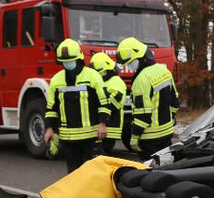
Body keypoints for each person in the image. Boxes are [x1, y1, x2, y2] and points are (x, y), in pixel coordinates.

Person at [43, 39, 110, 173]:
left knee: (96, 173)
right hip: (69, 139)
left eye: (70, 60)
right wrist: (49, 128)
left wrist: (103, 124)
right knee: (73, 174)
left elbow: (103, 103)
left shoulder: (92, 76)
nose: (67, 64)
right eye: (64, 62)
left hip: (91, 137)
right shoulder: (57, 80)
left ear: (79, 58)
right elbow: (52, 108)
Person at [116, 36, 180, 159]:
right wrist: (167, 120)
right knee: (166, 169)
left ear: (141, 57)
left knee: (150, 174)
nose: (129, 67)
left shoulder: (141, 80)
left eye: (130, 62)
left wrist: (134, 137)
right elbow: (174, 103)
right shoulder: (164, 71)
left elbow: (142, 115)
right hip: (167, 134)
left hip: (149, 138)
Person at [89, 51, 127, 155]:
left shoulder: (116, 81)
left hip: (110, 127)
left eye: (100, 73)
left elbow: (113, 104)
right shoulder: (101, 81)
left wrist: (96, 104)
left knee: (102, 155)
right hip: (100, 127)